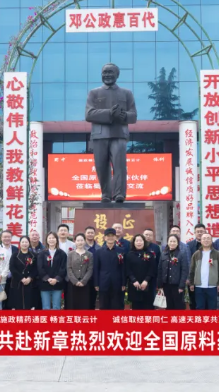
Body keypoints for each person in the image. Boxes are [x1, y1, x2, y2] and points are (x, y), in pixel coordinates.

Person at [85, 62, 138, 203]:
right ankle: (106, 194)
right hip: (99, 135)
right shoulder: (94, 93)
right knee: (101, 166)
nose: (107, 75)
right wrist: (109, 113)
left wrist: (123, 115)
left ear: (117, 75)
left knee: (119, 165)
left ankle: (119, 194)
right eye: (105, 72)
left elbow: (133, 116)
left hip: (119, 134)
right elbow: (89, 114)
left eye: (110, 72)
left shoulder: (126, 93)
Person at [188, 233, 219, 310]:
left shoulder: (217, 254)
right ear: (201, 241)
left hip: (212, 286)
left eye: (208, 238)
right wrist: (191, 283)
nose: (206, 240)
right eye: (204, 238)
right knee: (199, 307)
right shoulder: (196, 254)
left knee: (212, 307)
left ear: (211, 241)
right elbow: (192, 270)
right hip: (199, 286)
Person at [94, 228, 126, 310]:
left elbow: (123, 268)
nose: (110, 238)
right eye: (108, 236)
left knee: (117, 305)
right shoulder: (99, 251)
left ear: (115, 237)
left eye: (112, 236)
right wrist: (96, 283)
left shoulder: (121, 251)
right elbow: (96, 268)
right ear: (105, 238)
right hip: (103, 282)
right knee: (103, 306)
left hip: (117, 282)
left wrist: (123, 283)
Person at [156, 234, 188, 310]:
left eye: (174, 241)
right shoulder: (164, 254)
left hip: (177, 285)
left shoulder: (181, 254)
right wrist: (159, 285)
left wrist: (181, 286)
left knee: (178, 306)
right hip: (166, 285)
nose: (172, 243)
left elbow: (184, 270)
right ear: (167, 242)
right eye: (170, 241)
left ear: (177, 243)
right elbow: (160, 269)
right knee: (168, 306)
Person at [125, 234, 156, 310]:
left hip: (148, 285)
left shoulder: (149, 254)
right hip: (135, 285)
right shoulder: (129, 255)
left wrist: (146, 280)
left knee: (148, 307)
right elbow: (127, 269)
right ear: (134, 243)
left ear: (144, 242)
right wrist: (134, 280)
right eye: (137, 241)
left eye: (141, 241)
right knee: (136, 307)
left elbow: (152, 269)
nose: (139, 242)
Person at [37, 232, 68, 310]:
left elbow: (63, 268)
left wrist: (56, 279)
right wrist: (47, 278)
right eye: (49, 238)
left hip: (57, 284)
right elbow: (40, 268)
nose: (51, 240)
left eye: (53, 238)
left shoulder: (62, 254)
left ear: (56, 240)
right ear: (46, 240)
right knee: (46, 307)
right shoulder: (42, 253)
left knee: (56, 307)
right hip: (44, 284)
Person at [9, 236, 37, 310]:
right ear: (20, 243)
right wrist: (21, 278)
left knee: (29, 304)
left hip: (30, 282)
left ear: (29, 243)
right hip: (18, 282)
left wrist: (30, 278)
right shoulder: (15, 255)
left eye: (26, 242)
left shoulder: (33, 255)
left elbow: (35, 268)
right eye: (23, 242)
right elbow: (12, 268)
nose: (24, 244)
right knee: (18, 304)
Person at [67, 233, 94, 310]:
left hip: (85, 283)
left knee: (84, 304)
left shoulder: (89, 254)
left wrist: (83, 281)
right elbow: (69, 268)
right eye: (78, 240)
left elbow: (90, 269)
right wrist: (75, 281)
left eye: (81, 240)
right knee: (73, 304)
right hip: (73, 283)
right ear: (75, 242)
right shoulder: (71, 254)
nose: (80, 242)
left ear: (84, 241)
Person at [186, 223, 207, 310]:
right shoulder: (189, 245)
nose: (199, 233)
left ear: (205, 232)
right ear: (194, 233)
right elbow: (187, 262)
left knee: (207, 302)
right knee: (194, 301)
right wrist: (188, 278)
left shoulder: (210, 244)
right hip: (193, 278)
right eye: (197, 231)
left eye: (201, 231)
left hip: (207, 278)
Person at [142, 228, 160, 308]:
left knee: (151, 299)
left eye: (150, 235)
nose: (148, 237)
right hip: (140, 276)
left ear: (153, 237)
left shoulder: (156, 247)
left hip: (152, 277)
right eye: (146, 235)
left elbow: (158, 262)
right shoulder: (139, 245)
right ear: (142, 235)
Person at [1, 230, 19, 309]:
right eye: (5, 237)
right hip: (0, 279)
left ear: (11, 238)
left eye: (8, 237)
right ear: (1, 238)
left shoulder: (16, 249)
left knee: (10, 301)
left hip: (12, 279)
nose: (7, 239)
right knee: (0, 300)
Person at [84, 226, 100, 309]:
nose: (90, 234)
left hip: (94, 278)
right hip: (83, 277)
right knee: (83, 301)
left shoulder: (99, 248)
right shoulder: (81, 247)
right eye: (88, 233)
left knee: (92, 300)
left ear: (94, 234)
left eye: (92, 233)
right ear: (85, 234)